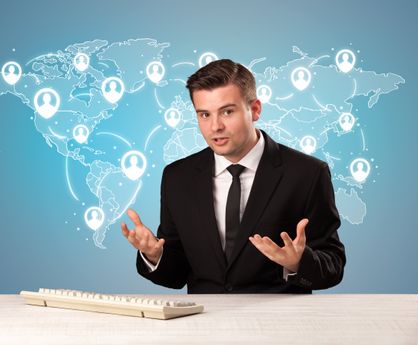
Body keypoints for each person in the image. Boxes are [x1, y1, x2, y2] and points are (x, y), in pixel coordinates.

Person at [121, 59, 345, 293]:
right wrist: (156, 255)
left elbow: (334, 265)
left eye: (227, 112)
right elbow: (177, 275)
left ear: (255, 109)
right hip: (203, 322)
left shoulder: (307, 174)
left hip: (278, 323)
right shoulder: (177, 177)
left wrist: (297, 263)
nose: (215, 126)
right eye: (204, 115)